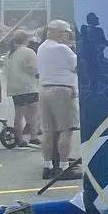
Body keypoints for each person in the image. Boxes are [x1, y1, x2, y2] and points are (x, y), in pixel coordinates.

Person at [36, 21, 79, 181]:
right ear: (56, 32)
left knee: (48, 131)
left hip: (45, 88)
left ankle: (47, 166)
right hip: (61, 89)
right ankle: (64, 167)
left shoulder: (42, 48)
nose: (66, 36)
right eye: (64, 33)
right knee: (66, 129)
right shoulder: (62, 48)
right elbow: (78, 65)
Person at [1, 30, 41, 146]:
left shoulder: (10, 53)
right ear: (26, 40)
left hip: (15, 86)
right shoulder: (28, 52)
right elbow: (34, 69)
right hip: (28, 85)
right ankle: (34, 135)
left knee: (19, 113)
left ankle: (19, 138)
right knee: (33, 111)